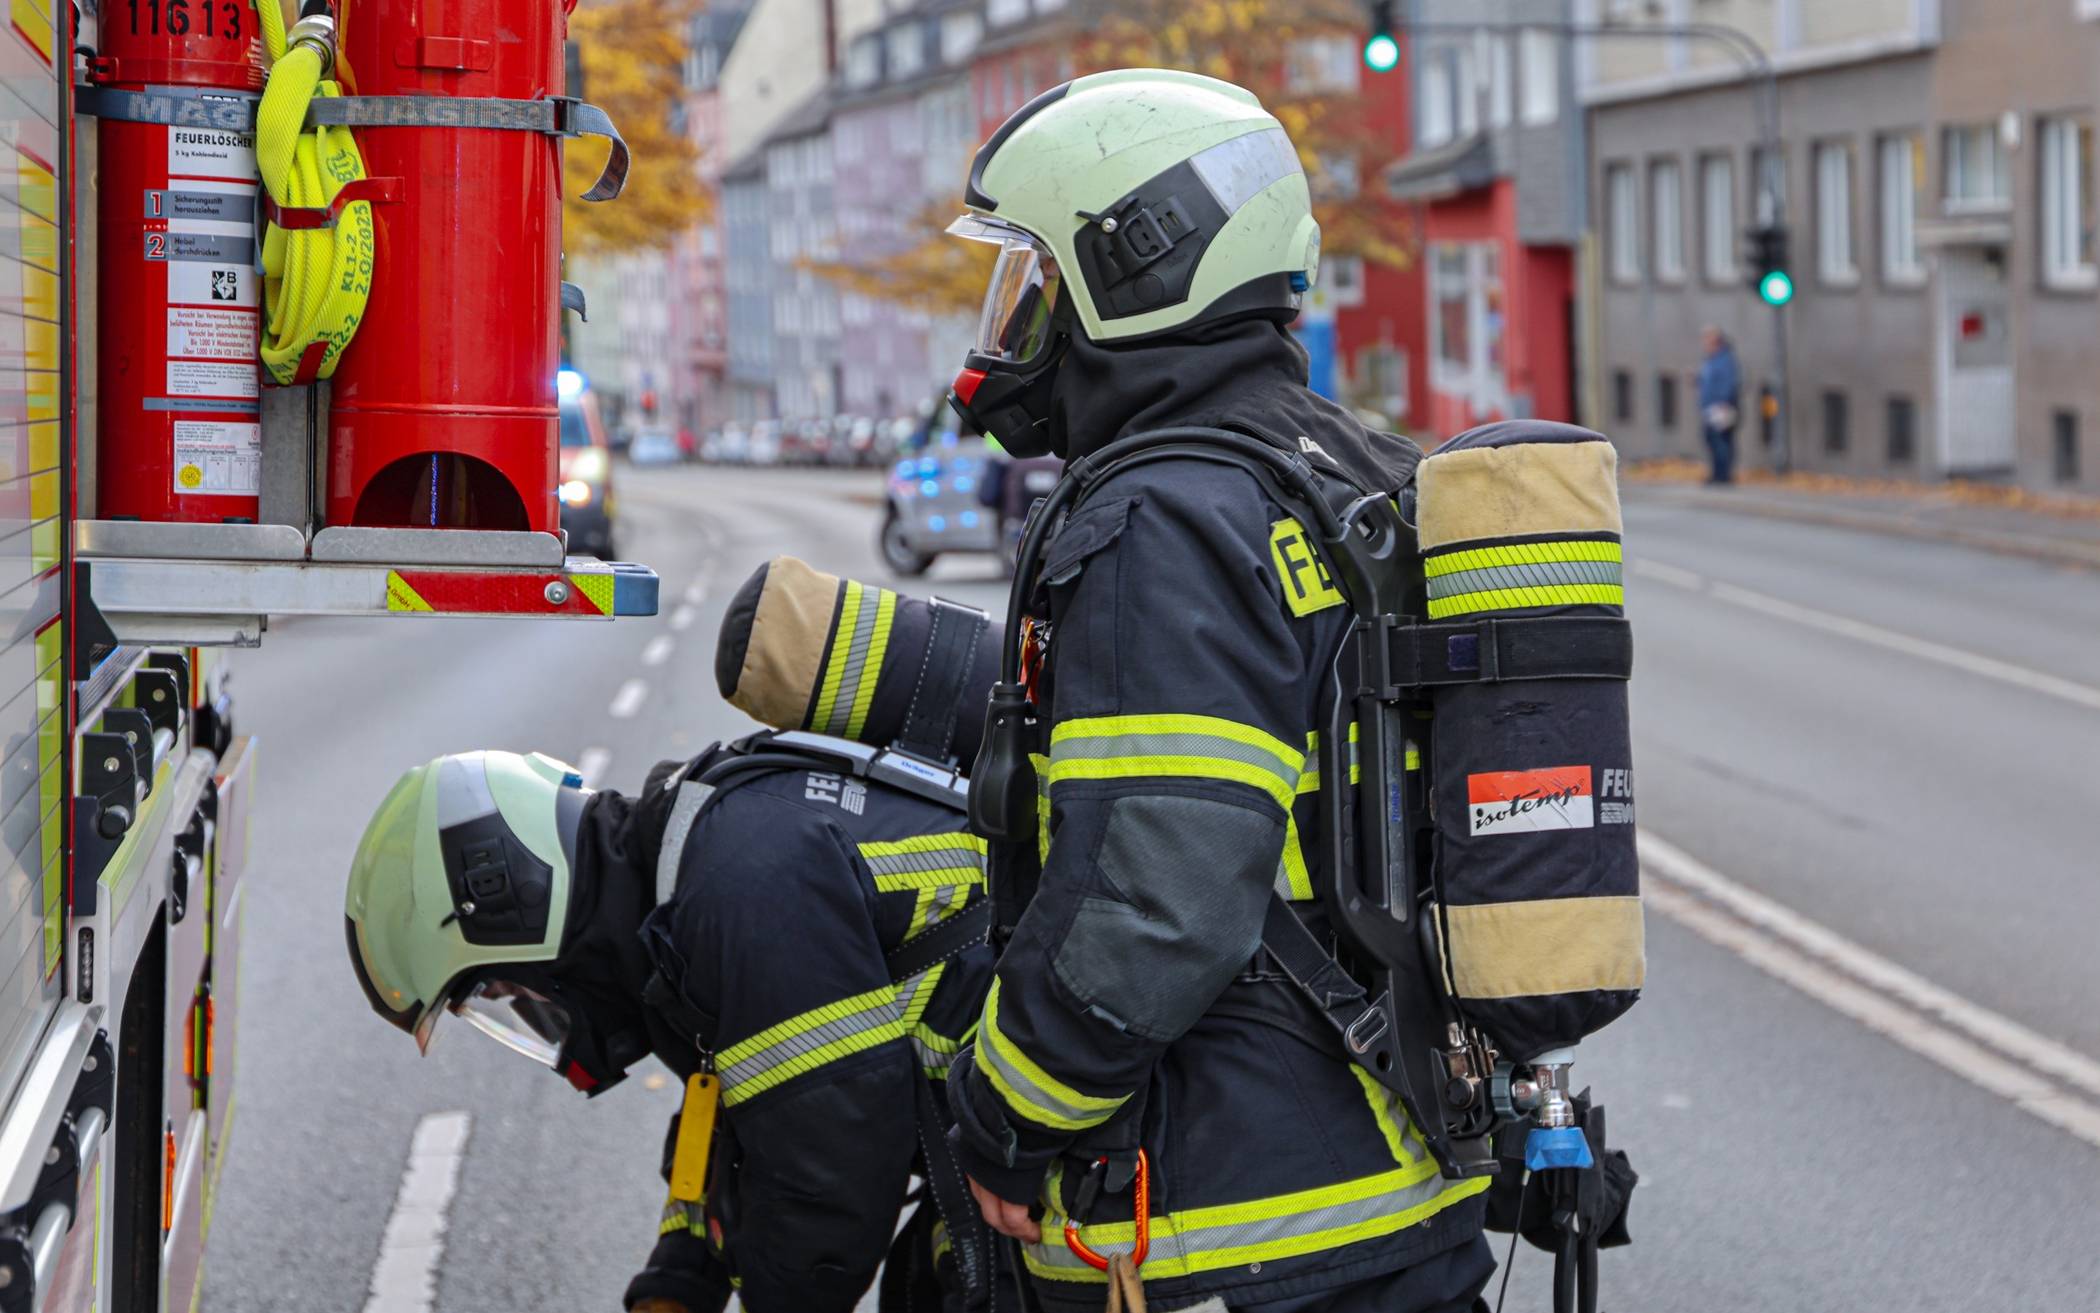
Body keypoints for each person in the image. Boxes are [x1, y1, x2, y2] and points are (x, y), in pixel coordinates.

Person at [939, 69, 1497, 1312]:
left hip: (1233, 1231)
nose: (1011, 325)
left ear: (1133, 266)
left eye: (1036, 278)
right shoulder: (1341, 470)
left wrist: (1004, 1110)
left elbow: (1159, 899)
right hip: (1394, 1188)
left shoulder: (1165, 519)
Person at [342, 558, 1008, 1313]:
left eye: (508, 991)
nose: (539, 1018)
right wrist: (681, 1272)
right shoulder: (686, 870)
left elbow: (830, 1186)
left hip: (1088, 1114)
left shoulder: (737, 885)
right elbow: (740, 1114)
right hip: (1006, 1123)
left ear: (519, 903)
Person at [1697, 326, 1740, 484]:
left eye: (1708, 341)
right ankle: (1716, 473)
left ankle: (1723, 475)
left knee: (1721, 442)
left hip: (1721, 408)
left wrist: (1723, 401)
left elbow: (1728, 383)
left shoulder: (1725, 360)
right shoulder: (1711, 359)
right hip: (1710, 407)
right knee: (1712, 440)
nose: (1705, 344)